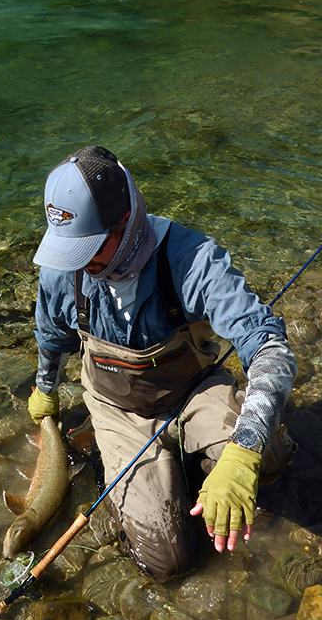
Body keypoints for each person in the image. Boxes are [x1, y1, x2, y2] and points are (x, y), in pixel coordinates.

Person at [28, 145, 298, 582]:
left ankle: (208, 463)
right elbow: (52, 336)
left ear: (126, 223)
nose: (79, 266)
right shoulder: (62, 270)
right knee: (168, 563)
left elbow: (270, 348)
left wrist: (243, 452)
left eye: (88, 250)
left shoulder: (193, 259)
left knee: (268, 456)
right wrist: (45, 390)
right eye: (68, 251)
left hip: (193, 393)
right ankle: (150, 473)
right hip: (117, 410)